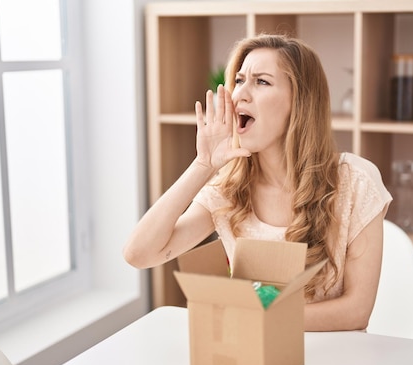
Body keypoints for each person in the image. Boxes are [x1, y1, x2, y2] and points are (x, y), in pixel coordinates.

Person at [124, 34, 392, 331]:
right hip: (257, 361)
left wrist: (259, 318)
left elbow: (357, 311)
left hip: (340, 361)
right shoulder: (228, 190)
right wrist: (202, 165)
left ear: (300, 101)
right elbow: (139, 254)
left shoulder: (355, 182)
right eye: (239, 81)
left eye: (261, 82)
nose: (240, 95)